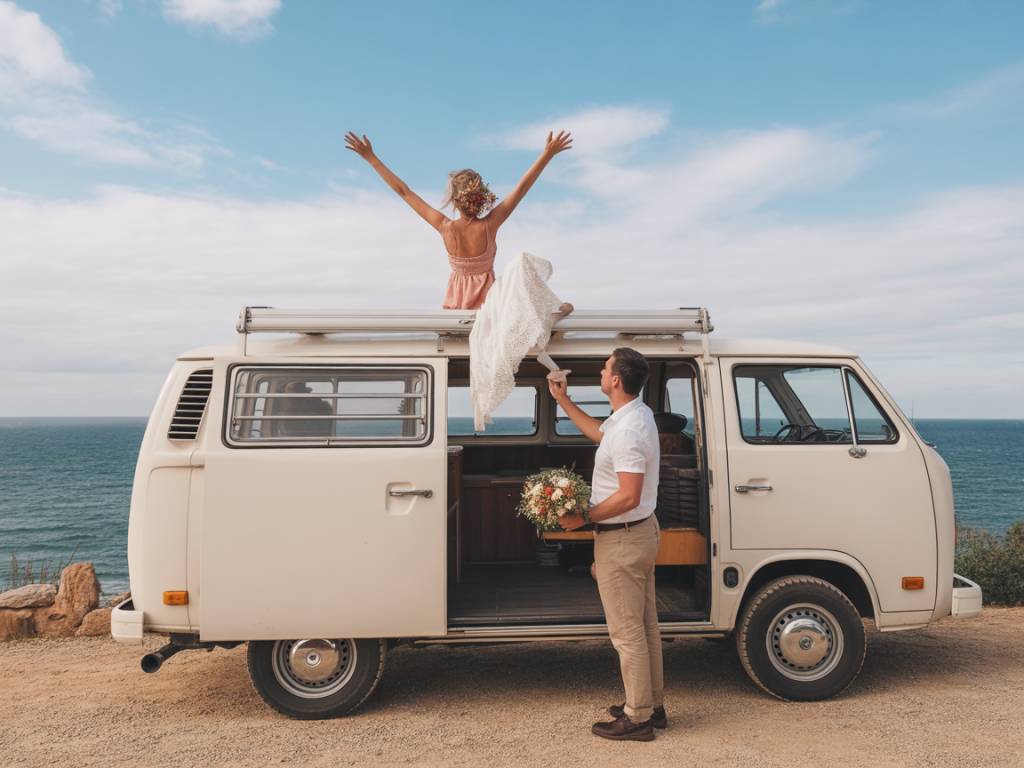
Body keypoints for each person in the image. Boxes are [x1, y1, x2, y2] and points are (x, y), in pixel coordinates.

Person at [548, 348, 666, 742]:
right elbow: (601, 433)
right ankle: (652, 704)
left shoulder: (630, 429)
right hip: (641, 533)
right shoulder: (635, 415)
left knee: (627, 632)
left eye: (604, 368)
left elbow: (629, 495)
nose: (601, 371)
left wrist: (583, 517)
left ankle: (638, 718)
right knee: (645, 626)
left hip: (624, 538)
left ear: (616, 380)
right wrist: (563, 400)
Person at [344, 130, 574, 310]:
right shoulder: (489, 226)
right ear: (482, 198)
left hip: (455, 311)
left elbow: (403, 191)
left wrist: (371, 158)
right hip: (489, 309)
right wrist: (547, 154)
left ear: (453, 199)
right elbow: (522, 187)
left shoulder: (445, 227)